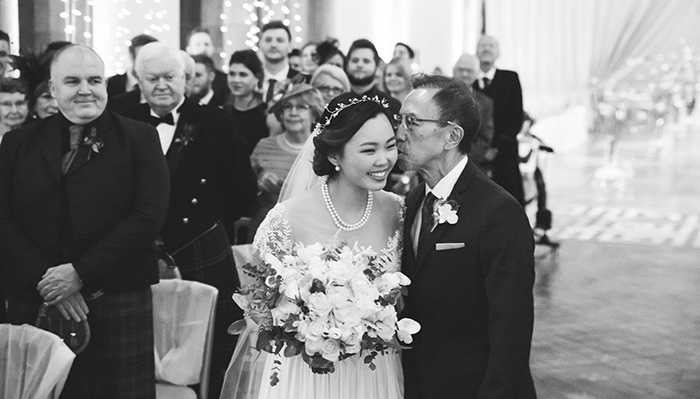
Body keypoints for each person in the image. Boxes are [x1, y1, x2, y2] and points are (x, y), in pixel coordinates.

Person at [0, 44, 170, 398]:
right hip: (36, 298)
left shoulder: (139, 138)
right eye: (72, 81)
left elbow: (147, 217)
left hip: (116, 297)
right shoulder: (17, 143)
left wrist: (79, 273)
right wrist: (47, 282)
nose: (85, 89)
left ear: (106, 85)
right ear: (52, 88)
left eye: (94, 80)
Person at [220, 92, 404, 399]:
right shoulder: (287, 218)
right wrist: (306, 318)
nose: (384, 160)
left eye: (390, 145)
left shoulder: (399, 212)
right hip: (303, 376)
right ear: (334, 155)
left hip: (373, 372)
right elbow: (261, 310)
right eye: (369, 150)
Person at [121, 42, 258, 399]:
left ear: (186, 78)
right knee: (140, 340)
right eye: (152, 78)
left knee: (213, 340)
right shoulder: (120, 117)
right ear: (138, 80)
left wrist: (209, 220)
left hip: (200, 242)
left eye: (170, 76)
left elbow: (242, 190)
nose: (162, 85)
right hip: (135, 248)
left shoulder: (215, 120)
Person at [397, 74, 536, 398]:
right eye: (400, 121)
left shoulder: (499, 213)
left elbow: (511, 333)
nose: (399, 134)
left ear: (452, 135)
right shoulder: (413, 202)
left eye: (412, 122)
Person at [250, 83, 324, 225]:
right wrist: (260, 184)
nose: (293, 112)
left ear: (314, 114)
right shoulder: (264, 146)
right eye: (287, 107)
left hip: (311, 226)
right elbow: (243, 190)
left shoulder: (324, 150)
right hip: (266, 224)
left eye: (301, 107)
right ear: (281, 115)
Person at [473, 35, 525, 206]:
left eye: (491, 46)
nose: (486, 49)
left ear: (498, 53)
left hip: (504, 151)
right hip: (476, 154)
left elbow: (516, 118)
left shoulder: (510, 79)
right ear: (477, 52)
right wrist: (481, 150)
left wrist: (495, 148)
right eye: (482, 46)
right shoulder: (470, 82)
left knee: (507, 203)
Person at [453, 53, 496, 174]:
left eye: (469, 71)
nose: (465, 74)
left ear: (477, 74)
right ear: (454, 71)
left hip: (470, 164)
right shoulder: (439, 97)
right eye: (461, 70)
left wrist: (461, 158)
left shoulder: (486, 103)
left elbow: (485, 138)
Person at [223, 49, 268, 154]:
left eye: (243, 75)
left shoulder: (267, 115)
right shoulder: (222, 113)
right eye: (232, 74)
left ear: (257, 78)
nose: (236, 80)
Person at [345, 39, 401, 115]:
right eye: (355, 60)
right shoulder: (336, 100)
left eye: (366, 61)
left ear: (377, 67)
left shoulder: (391, 105)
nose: (360, 65)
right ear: (347, 65)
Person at [258, 20, 304, 104]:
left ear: (290, 46)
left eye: (280, 40)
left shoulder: (302, 81)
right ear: (260, 44)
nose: (273, 45)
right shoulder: (252, 79)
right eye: (268, 40)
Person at [185, 27, 229, 106]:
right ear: (189, 49)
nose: (203, 48)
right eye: (198, 44)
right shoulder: (181, 78)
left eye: (206, 44)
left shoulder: (225, 80)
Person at [106, 33, 158, 100]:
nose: (148, 61)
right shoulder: (109, 85)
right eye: (142, 57)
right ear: (131, 56)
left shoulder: (162, 86)